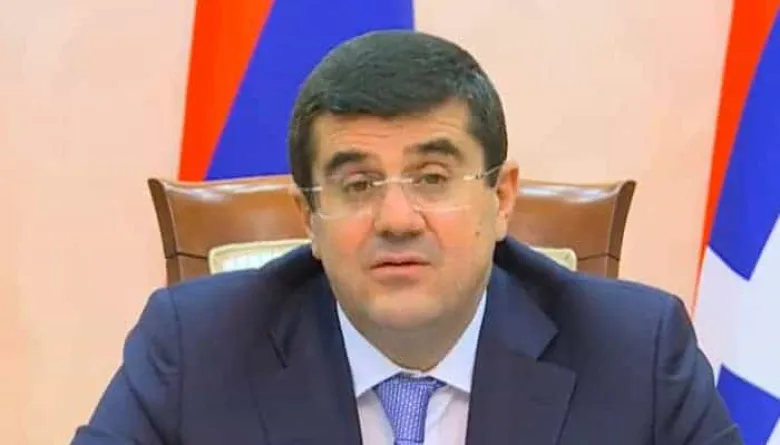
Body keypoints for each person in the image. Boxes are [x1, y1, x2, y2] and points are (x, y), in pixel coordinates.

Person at [71, 30, 741, 445]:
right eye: (357, 184)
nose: (396, 218)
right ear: (307, 216)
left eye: (432, 177)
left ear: (501, 198)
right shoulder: (197, 349)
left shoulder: (636, 353)